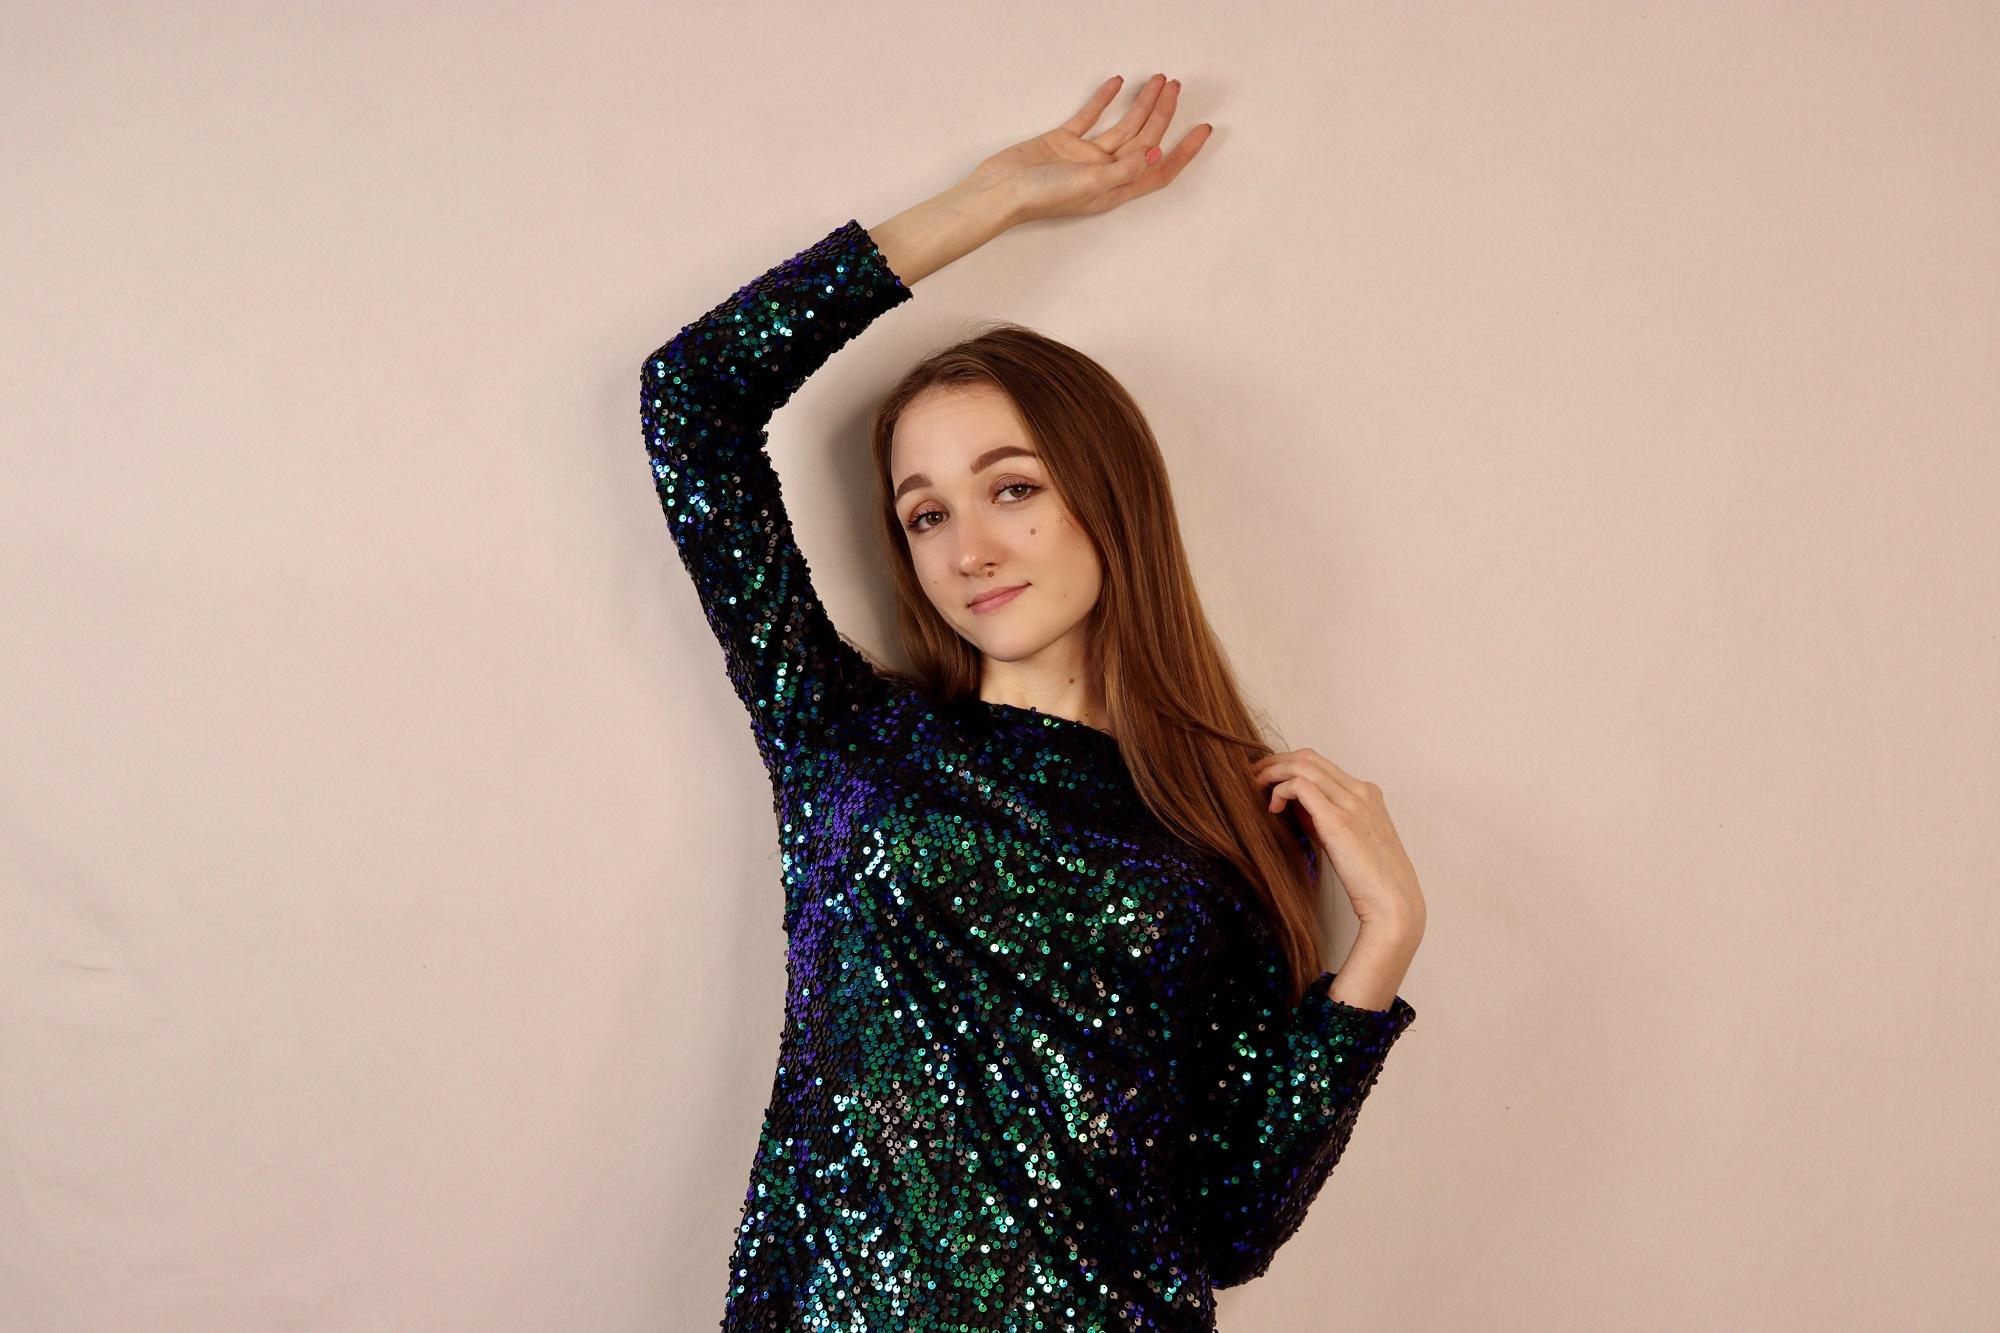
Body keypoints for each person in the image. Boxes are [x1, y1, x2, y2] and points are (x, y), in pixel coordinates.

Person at [640, 72, 1428, 1332]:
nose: (969, 548)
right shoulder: (847, 738)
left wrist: (1379, 944)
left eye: (1012, 488)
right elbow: (691, 400)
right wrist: (992, 198)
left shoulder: (1225, 819)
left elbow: (1229, 1224)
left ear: (1103, 494)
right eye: (925, 514)